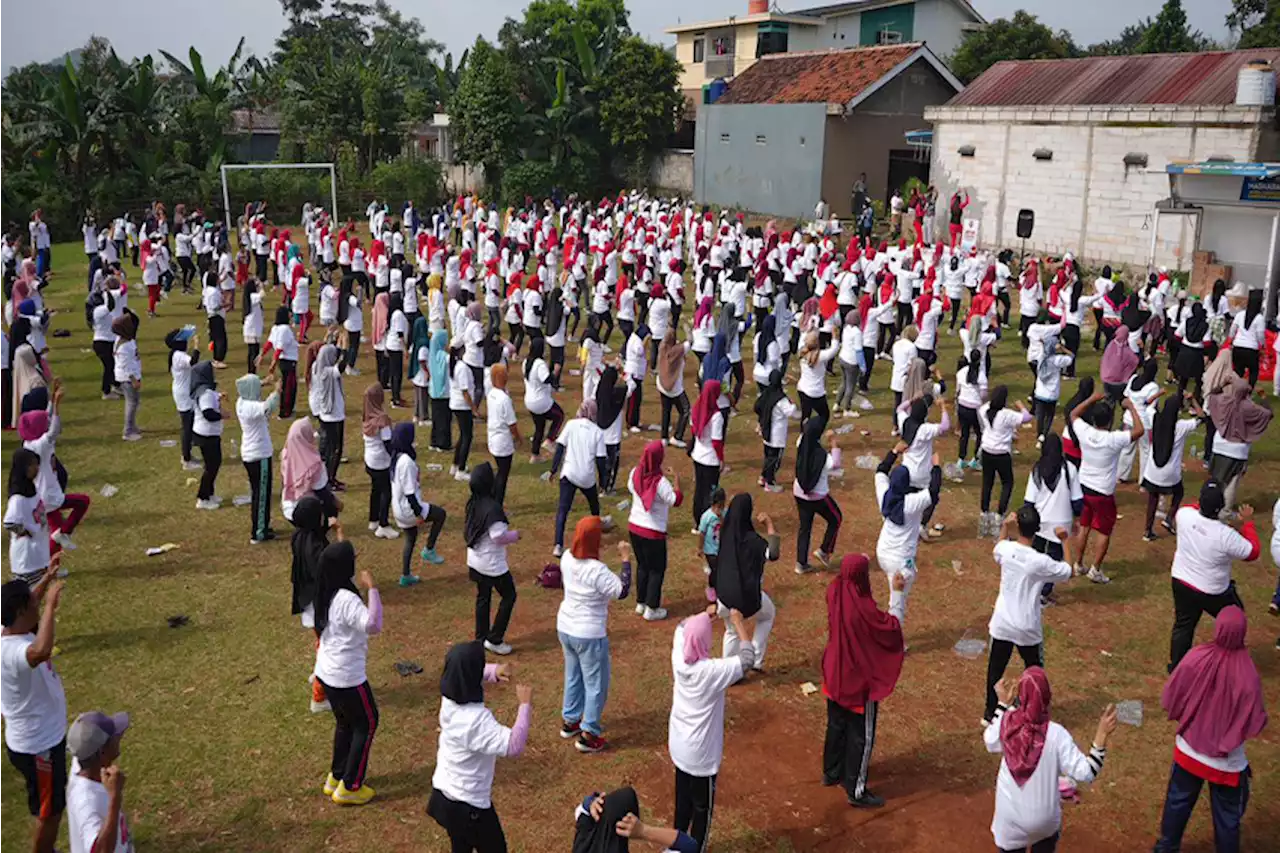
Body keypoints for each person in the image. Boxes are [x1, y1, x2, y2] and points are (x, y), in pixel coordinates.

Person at [1154, 606, 1267, 853]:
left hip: (1188, 752)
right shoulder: (1249, 675)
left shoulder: (1196, 656)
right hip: (1226, 764)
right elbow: (1253, 722)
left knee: (1177, 802)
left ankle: (1166, 847)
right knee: (1228, 819)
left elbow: (1173, 694)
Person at [984, 668, 1115, 853]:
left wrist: (1003, 704)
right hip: (1045, 822)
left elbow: (990, 741)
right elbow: (1087, 772)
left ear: (1021, 697)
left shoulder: (1007, 723)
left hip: (1010, 822)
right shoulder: (1056, 734)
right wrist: (1101, 734)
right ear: (1047, 697)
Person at [427, 642, 532, 853]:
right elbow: (513, 745)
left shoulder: (449, 699)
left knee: (461, 845)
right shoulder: (476, 720)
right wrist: (525, 705)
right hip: (469, 807)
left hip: (443, 796)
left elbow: (464, 671)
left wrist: (494, 671)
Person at [821, 554, 906, 808]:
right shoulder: (864, 610)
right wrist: (897, 594)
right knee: (862, 735)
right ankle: (855, 789)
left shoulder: (834, 591)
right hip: (858, 682)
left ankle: (831, 771)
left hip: (834, 671)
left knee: (835, 724)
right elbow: (891, 628)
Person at [667, 608, 755, 850]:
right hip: (701, 756)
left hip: (679, 746)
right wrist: (738, 623)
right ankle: (696, 848)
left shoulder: (679, 658)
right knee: (701, 808)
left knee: (682, 802)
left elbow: (681, 627)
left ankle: (675, 845)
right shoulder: (711, 671)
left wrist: (705, 615)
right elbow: (748, 659)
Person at [983, 507, 1074, 725]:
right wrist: (1065, 541)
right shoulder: (1039, 561)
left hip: (1003, 622)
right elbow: (1068, 570)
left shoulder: (1006, 550)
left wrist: (1005, 526)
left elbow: (998, 547)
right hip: (1027, 626)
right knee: (1034, 670)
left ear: (1018, 527)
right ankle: (1035, 708)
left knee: (995, 667)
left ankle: (989, 713)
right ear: (1037, 530)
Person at [0, 572, 67, 853]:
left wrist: (47, 578)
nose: (38, 604)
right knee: (50, 812)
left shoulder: (7, 628)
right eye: (34, 604)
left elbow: (29, 601)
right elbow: (40, 651)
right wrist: (51, 606)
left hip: (42, 739)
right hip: (39, 746)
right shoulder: (14, 652)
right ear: (20, 612)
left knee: (49, 802)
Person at [312, 542, 382, 805]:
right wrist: (373, 589)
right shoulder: (346, 598)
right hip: (346, 677)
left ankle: (336, 776)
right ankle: (350, 787)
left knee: (345, 723)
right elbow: (373, 624)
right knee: (367, 722)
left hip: (327, 672)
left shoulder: (324, 591)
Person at [1168, 481, 1260, 671]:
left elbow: (1190, 506)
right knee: (1235, 620)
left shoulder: (1184, 515)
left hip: (1182, 581)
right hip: (1212, 591)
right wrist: (1248, 523)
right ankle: (1228, 663)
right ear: (1221, 507)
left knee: (1183, 625)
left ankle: (1177, 667)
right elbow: (1252, 552)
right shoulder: (1225, 535)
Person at [557, 517, 631, 753]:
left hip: (566, 627)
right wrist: (626, 559)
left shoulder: (567, 558)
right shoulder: (598, 571)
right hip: (589, 633)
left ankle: (570, 721)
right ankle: (589, 734)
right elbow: (622, 590)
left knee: (573, 675)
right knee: (595, 683)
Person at [1067, 390, 1144, 584]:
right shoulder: (1114, 439)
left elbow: (1073, 414)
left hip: (1084, 487)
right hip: (1103, 492)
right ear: (1109, 421)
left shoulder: (1085, 432)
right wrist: (1132, 407)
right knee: (1104, 531)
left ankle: (1078, 563)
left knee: (1084, 527)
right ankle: (1095, 569)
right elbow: (1139, 430)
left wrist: (1091, 398)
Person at [715, 494, 780, 671]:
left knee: (731, 630)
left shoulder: (725, 533)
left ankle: (728, 669)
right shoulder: (753, 541)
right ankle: (756, 659)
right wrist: (769, 525)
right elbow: (773, 554)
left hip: (724, 595)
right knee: (768, 614)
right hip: (746, 596)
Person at [464, 462, 519, 656]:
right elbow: (497, 536)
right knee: (509, 595)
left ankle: (481, 637)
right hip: (491, 563)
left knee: (483, 596)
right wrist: (514, 535)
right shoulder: (493, 508)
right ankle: (495, 639)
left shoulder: (473, 502)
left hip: (475, 560)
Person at [627, 441, 683, 622]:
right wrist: (677, 481)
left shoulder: (634, 473)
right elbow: (675, 500)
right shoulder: (661, 483)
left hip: (634, 526)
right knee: (657, 569)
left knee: (643, 565)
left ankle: (641, 602)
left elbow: (632, 488)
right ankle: (652, 608)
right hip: (653, 532)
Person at [65, 711, 132, 853]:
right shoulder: (85, 801)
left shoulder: (84, 760)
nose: (119, 736)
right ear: (102, 751)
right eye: (114, 737)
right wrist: (115, 797)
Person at [390, 422, 447, 585]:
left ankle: (405, 575)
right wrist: (418, 514)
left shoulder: (396, 456)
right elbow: (409, 493)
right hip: (409, 509)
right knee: (440, 515)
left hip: (398, 509)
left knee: (411, 537)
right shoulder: (406, 462)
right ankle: (429, 549)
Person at [1206, 376, 1272, 516]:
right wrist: (1264, 396)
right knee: (1232, 481)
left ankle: (1211, 505)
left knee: (1217, 479)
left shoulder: (1224, 401)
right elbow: (1268, 414)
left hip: (1219, 446)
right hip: (1237, 450)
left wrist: (1222, 383)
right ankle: (1225, 510)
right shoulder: (1250, 407)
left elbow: (1211, 396)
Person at [1142, 395, 1203, 542]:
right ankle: (1169, 518)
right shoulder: (1181, 426)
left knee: (1153, 499)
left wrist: (1158, 395)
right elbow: (1203, 417)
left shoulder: (1155, 418)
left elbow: (1145, 405)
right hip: (1171, 474)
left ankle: (1147, 531)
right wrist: (1193, 400)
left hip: (1152, 471)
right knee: (1178, 493)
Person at [574, 787, 699, 852]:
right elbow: (690, 846)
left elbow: (582, 810)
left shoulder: (582, 845)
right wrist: (643, 831)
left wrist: (591, 803)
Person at [793, 418, 844, 574]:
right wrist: (834, 442)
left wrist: (806, 424)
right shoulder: (822, 456)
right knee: (836, 518)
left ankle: (801, 563)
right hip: (817, 497)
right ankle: (824, 550)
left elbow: (803, 434)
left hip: (800, 492)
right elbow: (835, 464)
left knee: (805, 528)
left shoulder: (801, 443)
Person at [236, 373, 280, 544]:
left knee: (259, 493)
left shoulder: (241, 401)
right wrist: (276, 391)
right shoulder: (250, 407)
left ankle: (262, 524)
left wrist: (264, 382)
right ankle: (259, 532)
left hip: (251, 454)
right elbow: (268, 407)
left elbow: (251, 388)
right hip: (259, 455)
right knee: (261, 495)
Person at [190, 362, 227, 510]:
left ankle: (210, 493)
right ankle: (202, 498)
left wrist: (218, 396)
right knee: (211, 466)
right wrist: (222, 415)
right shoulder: (204, 393)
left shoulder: (205, 390)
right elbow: (208, 413)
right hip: (207, 435)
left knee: (213, 465)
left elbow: (210, 399)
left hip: (207, 433)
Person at [166, 328, 202, 471]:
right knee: (186, 426)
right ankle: (186, 459)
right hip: (183, 394)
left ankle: (189, 452)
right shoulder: (179, 356)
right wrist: (197, 345)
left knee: (190, 423)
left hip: (183, 392)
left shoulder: (176, 354)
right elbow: (194, 361)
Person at [524, 338, 564, 462]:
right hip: (541, 401)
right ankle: (550, 439)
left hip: (530, 401)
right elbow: (547, 379)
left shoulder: (526, 362)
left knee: (539, 427)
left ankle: (535, 455)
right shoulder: (539, 363)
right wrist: (556, 371)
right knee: (559, 416)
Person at [485, 364, 519, 505]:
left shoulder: (491, 394)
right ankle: (497, 504)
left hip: (492, 437)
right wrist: (518, 438)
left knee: (500, 472)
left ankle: (494, 499)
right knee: (502, 475)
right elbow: (512, 423)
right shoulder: (504, 399)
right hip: (503, 441)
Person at [657, 329, 692, 448]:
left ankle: (664, 437)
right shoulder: (677, 351)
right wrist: (688, 330)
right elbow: (690, 341)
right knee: (686, 410)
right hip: (675, 388)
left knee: (666, 411)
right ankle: (677, 437)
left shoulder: (662, 347)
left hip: (662, 384)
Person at [111, 314, 142, 441]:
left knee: (135, 402)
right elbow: (125, 365)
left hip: (134, 374)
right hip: (127, 378)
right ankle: (128, 431)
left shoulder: (127, 340)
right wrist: (133, 380)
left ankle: (133, 426)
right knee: (131, 403)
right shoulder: (123, 345)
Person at [267, 307, 300, 418]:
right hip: (288, 361)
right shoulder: (285, 329)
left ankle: (285, 410)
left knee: (285, 386)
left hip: (283, 361)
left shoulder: (275, 328)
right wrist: (273, 363)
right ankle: (286, 412)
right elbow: (279, 348)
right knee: (289, 388)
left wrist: (262, 355)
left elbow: (269, 343)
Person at [697, 487, 726, 602]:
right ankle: (711, 587)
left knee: (722, 569)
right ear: (712, 504)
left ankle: (721, 587)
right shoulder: (706, 516)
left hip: (722, 548)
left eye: (722, 506)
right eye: (718, 506)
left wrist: (721, 518)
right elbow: (702, 533)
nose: (720, 509)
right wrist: (700, 548)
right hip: (710, 549)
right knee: (714, 570)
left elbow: (726, 527)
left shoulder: (725, 513)